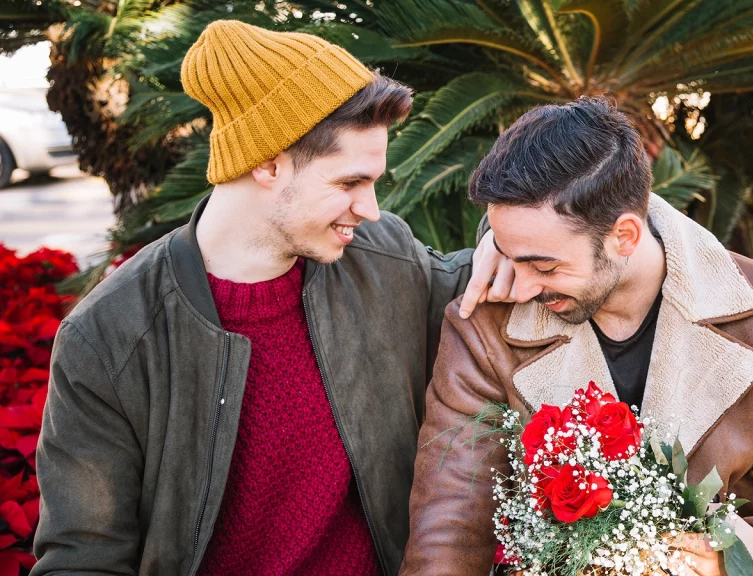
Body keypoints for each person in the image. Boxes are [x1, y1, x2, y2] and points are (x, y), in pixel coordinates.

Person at [32, 20, 508, 576]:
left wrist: (503, 239)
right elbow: (83, 557)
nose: (371, 208)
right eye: (349, 183)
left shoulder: (384, 256)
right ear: (267, 162)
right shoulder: (111, 336)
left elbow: (505, 273)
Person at [402, 98, 753, 576]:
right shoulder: (484, 323)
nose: (520, 286)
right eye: (505, 253)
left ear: (624, 235)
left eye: (544, 265)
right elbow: (450, 524)